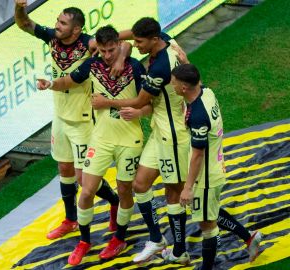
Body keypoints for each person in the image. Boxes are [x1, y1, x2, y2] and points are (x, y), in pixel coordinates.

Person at [38, 25, 152, 265]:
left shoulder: (135, 67)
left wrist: (139, 112)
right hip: (101, 139)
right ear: (97, 48)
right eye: (103, 51)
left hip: (129, 141)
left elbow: (149, 105)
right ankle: (84, 241)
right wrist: (50, 84)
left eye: (112, 50)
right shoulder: (92, 65)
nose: (108, 55)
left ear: (118, 46)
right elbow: (69, 81)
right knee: (86, 189)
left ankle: (119, 238)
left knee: (124, 190)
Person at [14, 0, 128, 240]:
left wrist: (119, 58)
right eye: (57, 20)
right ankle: (71, 219)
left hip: (84, 120)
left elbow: (122, 41)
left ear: (76, 30)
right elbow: (24, 23)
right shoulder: (51, 38)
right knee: (64, 168)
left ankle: (115, 201)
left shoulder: (88, 43)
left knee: (82, 177)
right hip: (60, 116)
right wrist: (20, 7)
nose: (56, 25)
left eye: (62, 23)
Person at [92, 17, 192, 263]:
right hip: (159, 131)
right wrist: (118, 45)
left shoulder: (160, 69)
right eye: (133, 40)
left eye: (138, 41)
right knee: (140, 185)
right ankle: (157, 239)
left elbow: (140, 102)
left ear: (153, 40)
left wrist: (107, 102)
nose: (134, 44)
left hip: (174, 135)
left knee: (177, 193)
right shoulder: (164, 40)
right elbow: (132, 35)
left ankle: (180, 251)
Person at [172, 64, 262, 269]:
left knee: (207, 225)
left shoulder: (198, 117)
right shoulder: (207, 92)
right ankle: (249, 237)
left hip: (206, 176)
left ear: (184, 87)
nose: (172, 85)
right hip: (216, 166)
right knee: (210, 211)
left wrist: (187, 187)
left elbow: (197, 155)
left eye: (174, 82)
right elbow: (196, 77)